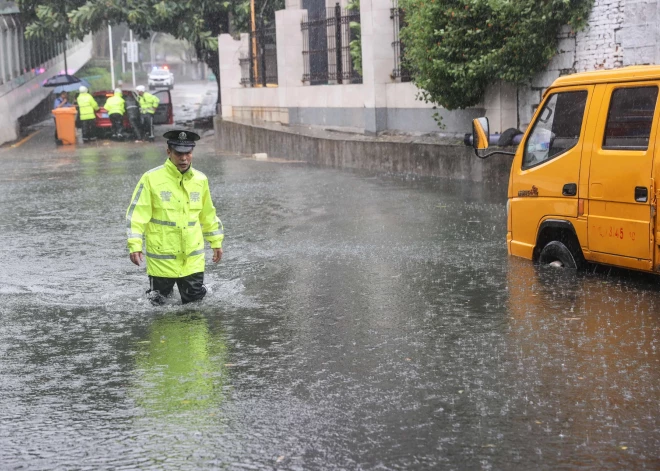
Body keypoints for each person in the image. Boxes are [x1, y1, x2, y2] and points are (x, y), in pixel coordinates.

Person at [125, 130, 224, 305]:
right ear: (168, 152)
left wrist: (216, 242)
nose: (184, 158)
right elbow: (137, 214)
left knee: (195, 307)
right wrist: (135, 245)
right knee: (159, 306)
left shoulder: (200, 180)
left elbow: (208, 214)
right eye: (179, 153)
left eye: (188, 153)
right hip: (162, 259)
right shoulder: (151, 179)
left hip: (192, 259)